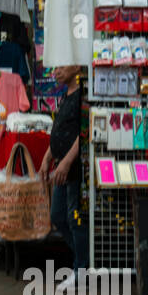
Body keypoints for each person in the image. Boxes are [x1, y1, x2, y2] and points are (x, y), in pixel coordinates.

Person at [40, 66, 86, 272]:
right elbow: (60, 129)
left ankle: (81, 268)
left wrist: (67, 161)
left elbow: (84, 134)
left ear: (76, 67)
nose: (56, 72)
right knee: (58, 215)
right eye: (55, 68)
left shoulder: (82, 96)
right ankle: (81, 260)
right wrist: (47, 157)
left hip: (74, 169)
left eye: (61, 67)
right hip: (60, 167)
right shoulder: (65, 95)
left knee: (74, 217)